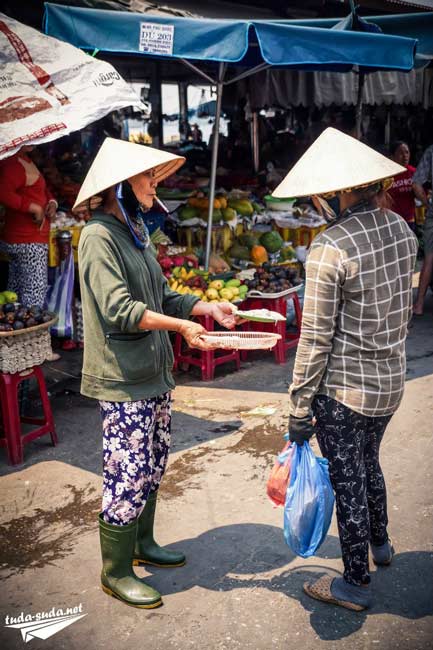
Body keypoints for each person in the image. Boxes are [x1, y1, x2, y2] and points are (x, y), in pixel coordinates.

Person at [76, 138, 237, 609]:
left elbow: (162, 296)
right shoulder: (98, 237)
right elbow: (120, 310)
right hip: (122, 376)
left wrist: (205, 307)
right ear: (120, 186)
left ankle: (143, 543)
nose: (154, 185)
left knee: (152, 464)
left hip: (154, 372)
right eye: (147, 177)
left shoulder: (134, 234)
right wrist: (182, 327)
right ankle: (116, 570)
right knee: (126, 473)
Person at [272, 127, 418, 612]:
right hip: (392, 384)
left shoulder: (329, 248)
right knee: (368, 461)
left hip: (346, 392)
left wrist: (297, 406)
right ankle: (382, 545)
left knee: (347, 478)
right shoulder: (401, 228)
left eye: (322, 195)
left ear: (340, 192)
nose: (317, 203)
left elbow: (314, 339)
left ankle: (354, 582)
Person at [0, 146, 57, 307]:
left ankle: (17, 329)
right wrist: (32, 207)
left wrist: (52, 202)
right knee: (34, 295)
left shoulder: (25, 159)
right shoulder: (13, 163)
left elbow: (42, 190)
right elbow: (3, 192)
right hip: (27, 241)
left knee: (15, 294)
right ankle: (30, 331)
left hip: (28, 239)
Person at [412, 144, 433, 315]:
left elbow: (416, 184)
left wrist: (427, 204)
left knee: (429, 257)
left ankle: (418, 304)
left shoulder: (431, 151)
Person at [388, 141, 416, 231]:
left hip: (410, 220)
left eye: (407, 152)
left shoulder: (414, 173)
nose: (405, 156)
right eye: (401, 153)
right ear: (392, 156)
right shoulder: (388, 175)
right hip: (392, 220)